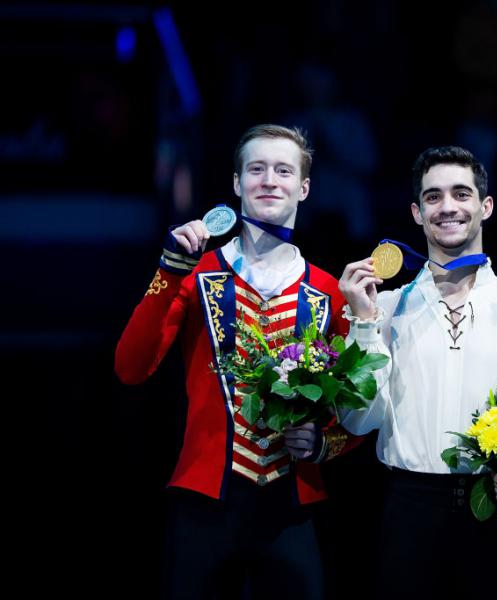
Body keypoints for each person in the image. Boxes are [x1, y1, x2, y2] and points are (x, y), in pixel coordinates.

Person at [115, 124, 358, 599]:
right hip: (204, 498)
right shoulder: (195, 273)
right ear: (236, 183)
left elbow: (359, 410)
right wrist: (169, 270)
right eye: (257, 169)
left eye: (283, 170)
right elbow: (131, 367)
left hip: (292, 506)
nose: (269, 180)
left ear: (303, 188)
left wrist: (321, 443)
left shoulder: (330, 290)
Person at [338, 146, 497, 599]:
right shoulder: (382, 308)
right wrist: (362, 323)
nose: (447, 207)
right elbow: (358, 419)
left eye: (461, 194)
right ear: (417, 212)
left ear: (486, 206)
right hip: (408, 511)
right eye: (433, 197)